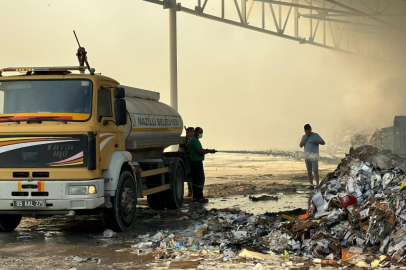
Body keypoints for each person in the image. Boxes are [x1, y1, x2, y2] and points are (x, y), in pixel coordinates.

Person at [189, 127, 216, 203]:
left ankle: (195, 197)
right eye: (200, 132)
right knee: (200, 180)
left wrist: (209, 150)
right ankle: (200, 198)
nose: (201, 134)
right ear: (196, 132)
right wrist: (208, 152)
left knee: (195, 181)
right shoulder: (194, 140)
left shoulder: (194, 140)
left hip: (194, 162)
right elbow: (200, 152)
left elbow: (201, 150)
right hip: (197, 162)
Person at [299, 124, 325, 189]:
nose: (309, 132)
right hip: (307, 156)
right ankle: (311, 185)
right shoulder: (304, 137)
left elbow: (323, 142)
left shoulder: (315, 135)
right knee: (309, 171)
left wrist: (316, 142)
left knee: (315, 171)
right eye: (307, 131)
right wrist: (305, 138)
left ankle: (317, 184)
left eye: (310, 130)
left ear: (311, 129)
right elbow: (301, 145)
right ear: (305, 131)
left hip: (314, 156)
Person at [178, 127, 195, 197]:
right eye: (191, 132)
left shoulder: (193, 139)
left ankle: (193, 192)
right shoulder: (184, 140)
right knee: (189, 177)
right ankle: (190, 191)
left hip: (193, 160)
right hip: (186, 160)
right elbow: (180, 149)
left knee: (193, 177)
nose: (192, 133)